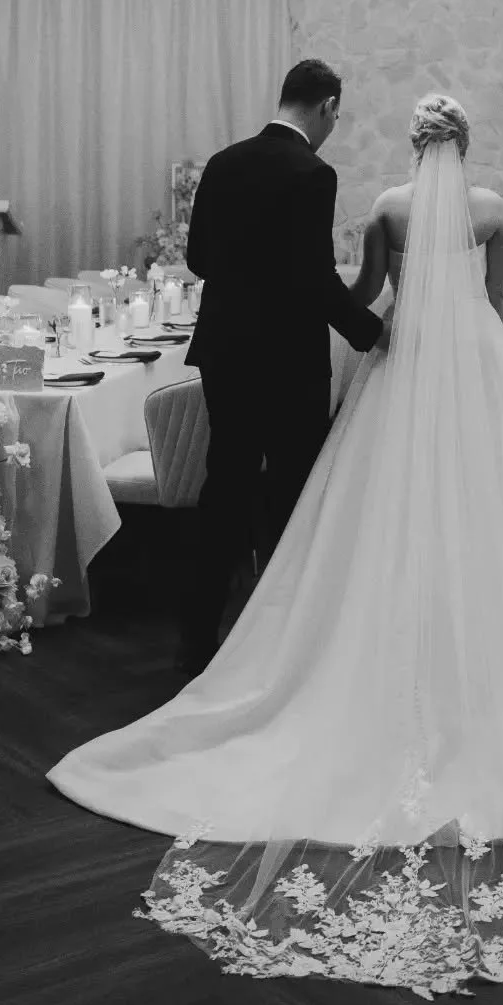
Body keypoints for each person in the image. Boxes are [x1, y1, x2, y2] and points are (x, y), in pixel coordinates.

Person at [49, 93, 503, 995]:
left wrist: (374, 324)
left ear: (413, 145)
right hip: (475, 364)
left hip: (399, 361)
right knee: (490, 505)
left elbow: (365, 294)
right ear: (466, 143)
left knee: (364, 504)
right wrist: (463, 334)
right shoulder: (491, 214)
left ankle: (343, 633)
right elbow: (491, 301)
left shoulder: (387, 209)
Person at [175, 58, 383, 674]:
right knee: (292, 490)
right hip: (286, 361)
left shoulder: (222, 162)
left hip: (224, 350)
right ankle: (280, 634)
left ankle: (198, 637)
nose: (332, 129)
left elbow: (200, 259)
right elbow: (315, 279)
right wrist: (372, 333)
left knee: (226, 484)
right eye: (336, 118)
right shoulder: (312, 174)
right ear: (324, 107)